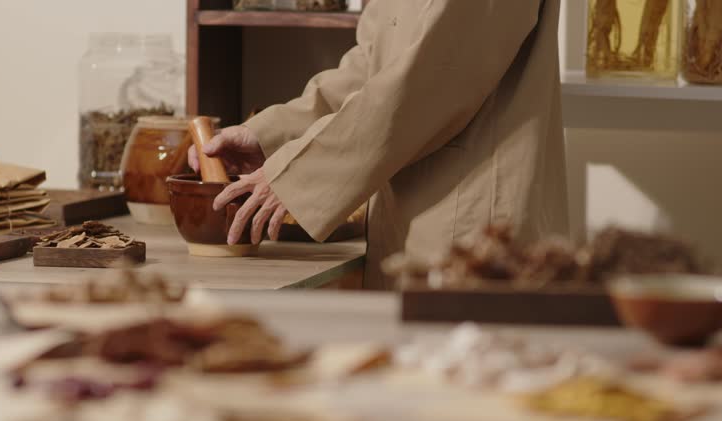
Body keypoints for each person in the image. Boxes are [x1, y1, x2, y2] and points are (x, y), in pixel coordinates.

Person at [188, 0, 569, 290]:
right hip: (408, 222)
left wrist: (298, 172)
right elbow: (373, 66)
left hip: (474, 227)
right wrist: (270, 136)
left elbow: (429, 79)